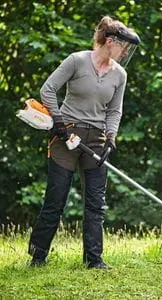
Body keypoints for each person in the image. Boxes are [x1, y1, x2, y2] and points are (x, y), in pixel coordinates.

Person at [28, 16, 140, 269]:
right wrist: (57, 121)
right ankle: (38, 256)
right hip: (65, 135)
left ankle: (94, 259)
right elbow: (48, 89)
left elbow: (114, 111)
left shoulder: (119, 75)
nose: (126, 52)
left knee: (95, 204)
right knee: (56, 199)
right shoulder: (77, 61)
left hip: (96, 139)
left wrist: (111, 137)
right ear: (110, 41)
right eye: (124, 46)